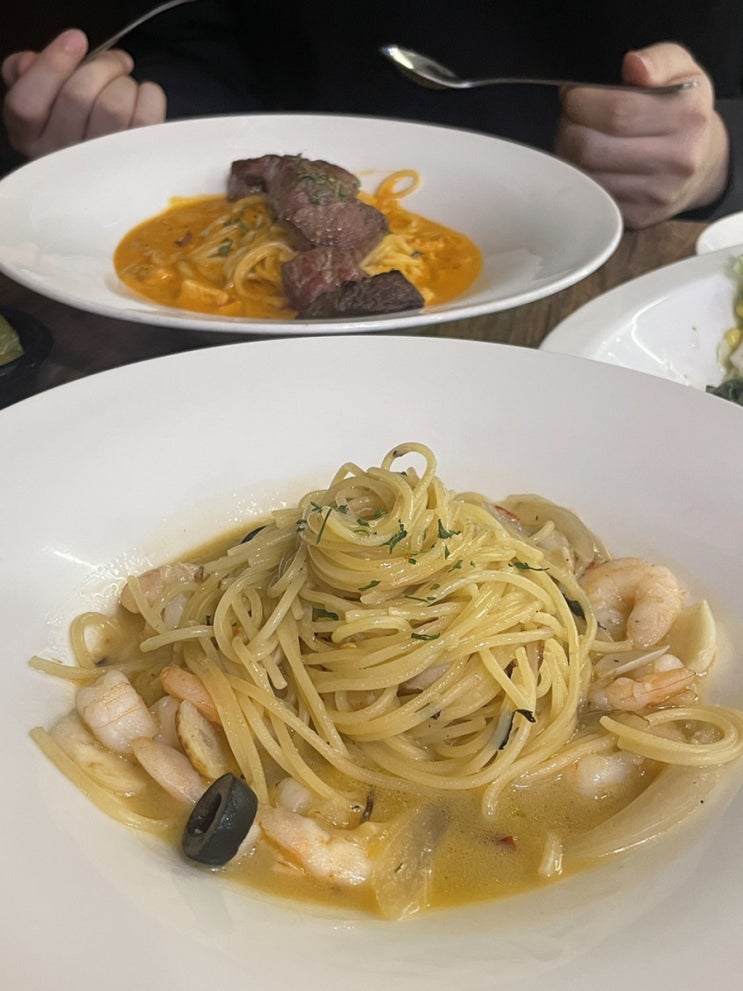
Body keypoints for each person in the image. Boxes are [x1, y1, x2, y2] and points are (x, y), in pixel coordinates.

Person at [1, 2, 741, 229]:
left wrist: (718, 158)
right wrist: (137, 120)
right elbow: (208, 33)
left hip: (627, 275)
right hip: (229, 329)